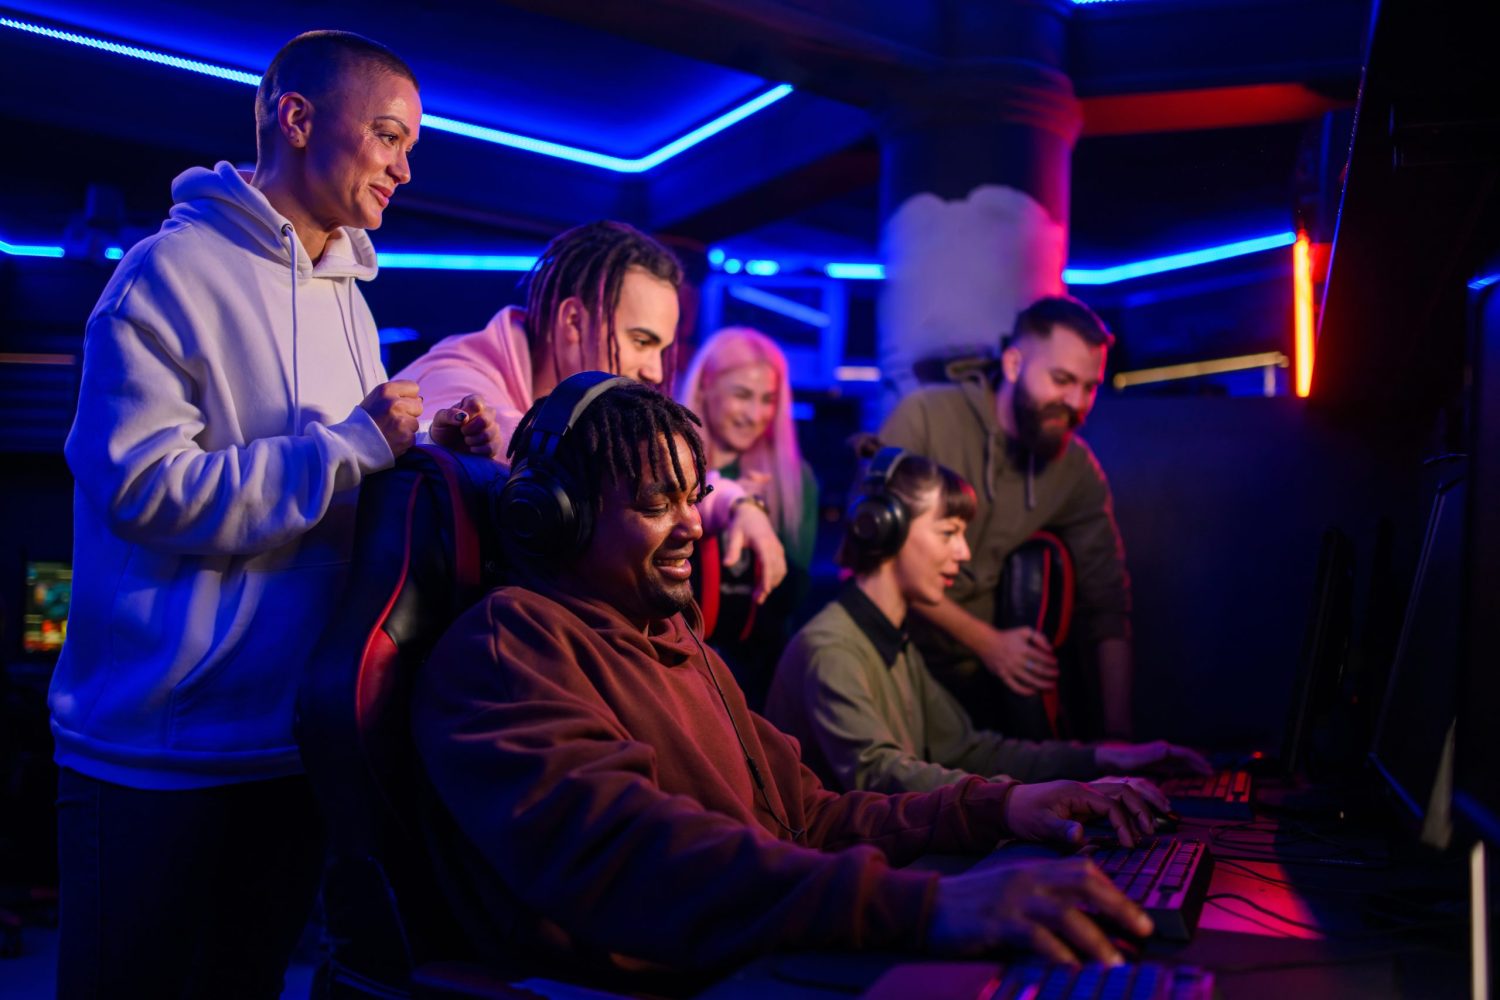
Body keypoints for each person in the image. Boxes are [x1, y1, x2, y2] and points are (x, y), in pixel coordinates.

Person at [412, 373, 1163, 982]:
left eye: (692, 499)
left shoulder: (679, 643)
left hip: (757, 950)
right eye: (654, 504)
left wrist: (1001, 809)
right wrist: (925, 907)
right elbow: (641, 857)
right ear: (557, 516)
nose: (693, 528)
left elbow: (810, 820)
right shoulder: (507, 648)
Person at [50, 31, 496, 997]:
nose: (404, 166)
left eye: (409, 143)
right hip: (154, 758)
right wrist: (353, 446)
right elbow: (144, 492)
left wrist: (423, 456)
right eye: (387, 135)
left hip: (292, 742)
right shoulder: (165, 276)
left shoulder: (351, 298)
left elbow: (349, 479)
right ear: (297, 118)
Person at [765, 447, 1209, 796]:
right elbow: (884, 778)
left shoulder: (892, 642)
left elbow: (969, 750)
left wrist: (1100, 761)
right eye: (948, 533)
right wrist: (1026, 800)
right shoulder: (832, 650)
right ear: (885, 530)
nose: (964, 552)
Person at [396, 220, 787, 601]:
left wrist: (737, 502)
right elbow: (609, 472)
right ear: (573, 322)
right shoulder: (454, 379)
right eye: (640, 341)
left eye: (662, 349)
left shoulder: (579, 414)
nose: (654, 370)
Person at [880, 295, 1136, 739]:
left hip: (986, 685)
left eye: (1089, 386)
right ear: (1014, 364)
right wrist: (987, 642)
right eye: (1061, 379)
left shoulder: (1075, 468)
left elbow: (1107, 603)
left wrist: (1120, 739)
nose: (1075, 401)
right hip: (896, 658)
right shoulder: (924, 418)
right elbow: (876, 553)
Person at [676, 326, 819, 706]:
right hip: (672, 665)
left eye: (768, 399)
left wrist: (763, 524)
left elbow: (794, 597)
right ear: (705, 388)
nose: (756, 415)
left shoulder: (791, 478)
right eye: (742, 395)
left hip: (755, 679)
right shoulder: (667, 461)